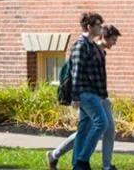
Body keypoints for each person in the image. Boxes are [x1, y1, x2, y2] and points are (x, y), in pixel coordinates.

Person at [48, 25, 120, 170]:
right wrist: (77, 96)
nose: (114, 43)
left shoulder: (101, 52)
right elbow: (79, 73)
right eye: (113, 39)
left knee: (102, 129)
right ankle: (78, 161)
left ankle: (56, 155)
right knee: (96, 127)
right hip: (89, 95)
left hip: (99, 96)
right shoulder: (89, 49)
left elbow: (99, 77)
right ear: (104, 37)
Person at [62, 13, 108, 170]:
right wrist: (75, 96)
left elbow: (97, 73)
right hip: (85, 92)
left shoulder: (92, 45)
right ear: (89, 27)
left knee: (84, 129)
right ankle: (82, 159)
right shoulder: (80, 45)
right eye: (98, 25)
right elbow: (76, 72)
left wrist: (102, 94)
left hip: (93, 93)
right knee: (101, 123)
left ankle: (78, 166)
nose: (101, 28)